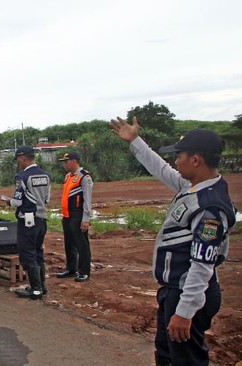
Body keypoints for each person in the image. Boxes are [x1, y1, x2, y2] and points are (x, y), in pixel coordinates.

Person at [109, 117, 236, 366]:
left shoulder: (209, 207)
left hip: (189, 294)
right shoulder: (194, 186)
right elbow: (161, 170)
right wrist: (136, 141)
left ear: (196, 160)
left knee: (186, 360)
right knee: (167, 355)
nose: (175, 162)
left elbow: (201, 265)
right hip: (174, 290)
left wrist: (185, 312)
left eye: (179, 156)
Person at [1, 146, 51, 300]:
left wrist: (7, 201)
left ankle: (35, 290)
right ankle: (42, 286)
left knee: (27, 254)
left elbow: (17, 201)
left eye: (18, 159)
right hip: (42, 218)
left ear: (23, 158)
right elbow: (47, 199)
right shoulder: (46, 175)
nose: (18, 162)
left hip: (28, 219)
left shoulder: (22, 177)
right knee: (38, 252)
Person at [56, 151, 93, 282]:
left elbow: (87, 200)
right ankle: (71, 268)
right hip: (67, 215)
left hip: (78, 214)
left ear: (74, 161)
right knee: (69, 243)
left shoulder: (84, 177)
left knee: (82, 244)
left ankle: (84, 271)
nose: (65, 164)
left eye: (67, 161)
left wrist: (86, 219)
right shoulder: (68, 177)